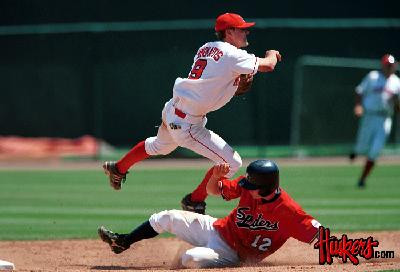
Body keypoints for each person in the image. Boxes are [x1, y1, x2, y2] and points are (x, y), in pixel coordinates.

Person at [102, 12, 282, 214]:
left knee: (159, 146)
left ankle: (118, 168)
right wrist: (272, 53)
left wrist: (235, 84)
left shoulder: (206, 47)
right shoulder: (233, 54)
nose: (246, 32)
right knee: (231, 162)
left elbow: (213, 80)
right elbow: (268, 65)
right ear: (229, 32)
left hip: (173, 109)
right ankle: (194, 200)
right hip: (187, 124)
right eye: (242, 29)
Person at [98, 159, 321, 268]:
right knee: (166, 217)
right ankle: (123, 242)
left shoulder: (289, 212)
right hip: (218, 228)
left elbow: (318, 233)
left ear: (266, 188)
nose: (247, 189)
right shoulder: (246, 186)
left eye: (253, 188)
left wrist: (349, 250)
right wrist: (215, 176)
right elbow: (214, 190)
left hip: (234, 255)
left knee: (190, 258)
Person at [349, 54, 400, 188]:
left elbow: (398, 108)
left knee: (375, 150)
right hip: (369, 116)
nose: (389, 68)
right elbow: (359, 91)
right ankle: (355, 151)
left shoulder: (397, 82)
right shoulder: (373, 77)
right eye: (387, 65)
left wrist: (396, 102)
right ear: (383, 65)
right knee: (362, 146)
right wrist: (358, 105)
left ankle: (362, 179)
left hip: (385, 119)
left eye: (391, 65)